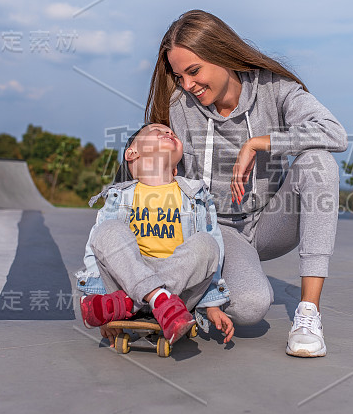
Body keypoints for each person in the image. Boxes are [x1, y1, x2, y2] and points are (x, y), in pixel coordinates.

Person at [145, 10, 348, 357]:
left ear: (223, 55)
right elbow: (155, 172)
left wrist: (260, 142)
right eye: (179, 76)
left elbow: (334, 132)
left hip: (272, 221)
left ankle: (308, 314)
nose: (187, 85)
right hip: (218, 228)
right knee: (251, 308)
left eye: (194, 72)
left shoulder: (275, 88)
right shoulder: (180, 105)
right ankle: (183, 296)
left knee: (319, 163)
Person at [75, 123, 234, 345]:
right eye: (157, 131)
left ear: (176, 168)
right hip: (129, 275)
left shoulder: (194, 195)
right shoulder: (119, 197)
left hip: (176, 281)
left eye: (171, 133)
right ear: (132, 153)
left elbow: (212, 251)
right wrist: (98, 294)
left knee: (207, 244)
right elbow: (99, 251)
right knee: (106, 231)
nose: (168, 132)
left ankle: (130, 303)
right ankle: (155, 298)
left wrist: (213, 302)